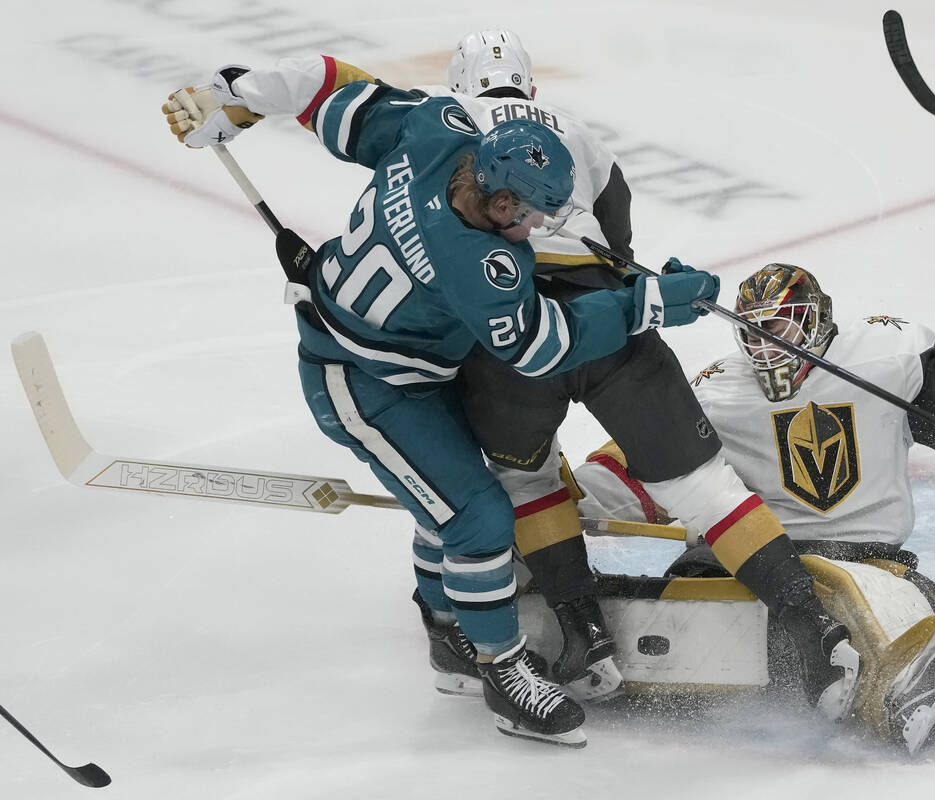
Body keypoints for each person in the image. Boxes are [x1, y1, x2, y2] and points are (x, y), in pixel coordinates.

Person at [159, 56, 721, 748]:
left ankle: (445, 624)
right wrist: (649, 304)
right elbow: (542, 347)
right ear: (501, 203)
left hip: (399, 358)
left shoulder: (437, 129)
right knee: (478, 517)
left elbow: (329, 86)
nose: (539, 230)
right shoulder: (478, 262)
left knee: (450, 499)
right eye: (534, 216)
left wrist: (237, 94)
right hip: (365, 381)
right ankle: (504, 675)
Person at [417, 30, 864, 714]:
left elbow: (428, 249)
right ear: (531, 91)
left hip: (513, 332)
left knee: (528, 481)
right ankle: (813, 628)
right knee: (704, 487)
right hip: (610, 321)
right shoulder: (579, 132)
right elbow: (619, 246)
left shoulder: (445, 128)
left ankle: (584, 636)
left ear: (459, 87)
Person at [571, 262, 935, 753]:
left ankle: (898, 680)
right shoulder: (717, 389)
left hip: (865, 560)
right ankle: (584, 642)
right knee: (678, 606)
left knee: (868, 602)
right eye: (752, 334)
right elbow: (645, 460)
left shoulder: (886, 353)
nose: (765, 347)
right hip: (747, 556)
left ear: (815, 319)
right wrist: (567, 502)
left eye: (777, 328)